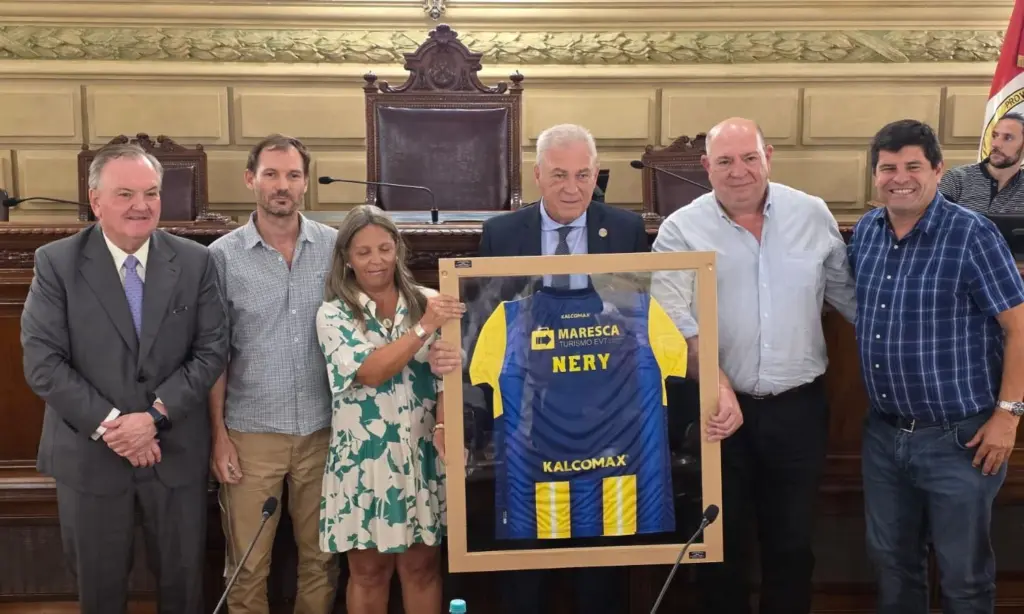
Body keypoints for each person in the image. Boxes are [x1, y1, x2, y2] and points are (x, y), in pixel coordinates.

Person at [429, 123, 649, 614]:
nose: (572, 188)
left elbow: (637, 317)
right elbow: (486, 321)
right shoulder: (503, 233)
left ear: (597, 174)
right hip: (526, 415)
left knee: (600, 551)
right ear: (537, 175)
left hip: (602, 415)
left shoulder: (626, 230)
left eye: (583, 175)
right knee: (525, 549)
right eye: (559, 175)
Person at [649, 116, 857, 614]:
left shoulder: (812, 214)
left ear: (769, 158)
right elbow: (672, 320)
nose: (738, 171)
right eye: (724, 161)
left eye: (749, 158)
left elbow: (851, 299)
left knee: (792, 547)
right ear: (706, 166)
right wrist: (718, 384)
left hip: (799, 411)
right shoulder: (681, 229)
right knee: (722, 551)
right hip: (718, 413)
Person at [20, 143, 228, 614]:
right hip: (91, 456)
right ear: (96, 201)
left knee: (184, 590)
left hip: (174, 453)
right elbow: (43, 363)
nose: (142, 205)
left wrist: (152, 417)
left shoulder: (195, 261)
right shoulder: (56, 263)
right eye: (126, 194)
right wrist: (116, 426)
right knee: (100, 593)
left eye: (151, 193)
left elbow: (212, 349)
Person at [849, 119, 1024, 613]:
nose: (899, 178)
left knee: (964, 578)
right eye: (888, 168)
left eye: (913, 166)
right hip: (884, 437)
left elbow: (1019, 327)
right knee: (892, 567)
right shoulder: (866, 232)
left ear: (938, 170)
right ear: (875, 175)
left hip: (959, 440)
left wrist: (1009, 415)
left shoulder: (972, 234)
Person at [207, 134, 340, 614]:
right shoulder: (222, 256)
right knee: (247, 566)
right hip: (250, 433)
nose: (282, 185)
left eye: (292, 175)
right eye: (271, 174)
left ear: (305, 182)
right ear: (251, 179)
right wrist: (218, 436)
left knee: (322, 560)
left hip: (324, 429)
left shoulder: (334, 247)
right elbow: (214, 353)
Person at [315, 204, 464, 614]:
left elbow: (450, 379)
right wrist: (424, 329)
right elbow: (370, 372)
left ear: (398, 248)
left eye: (384, 248)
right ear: (347, 258)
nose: (376, 260)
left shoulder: (430, 302)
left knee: (422, 568)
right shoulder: (333, 313)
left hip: (421, 455)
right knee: (368, 573)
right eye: (363, 252)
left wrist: (446, 415)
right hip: (364, 463)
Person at [939, 112, 1024, 213]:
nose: (995, 144)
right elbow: (935, 219)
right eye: (994, 136)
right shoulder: (956, 178)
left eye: (1008, 138)